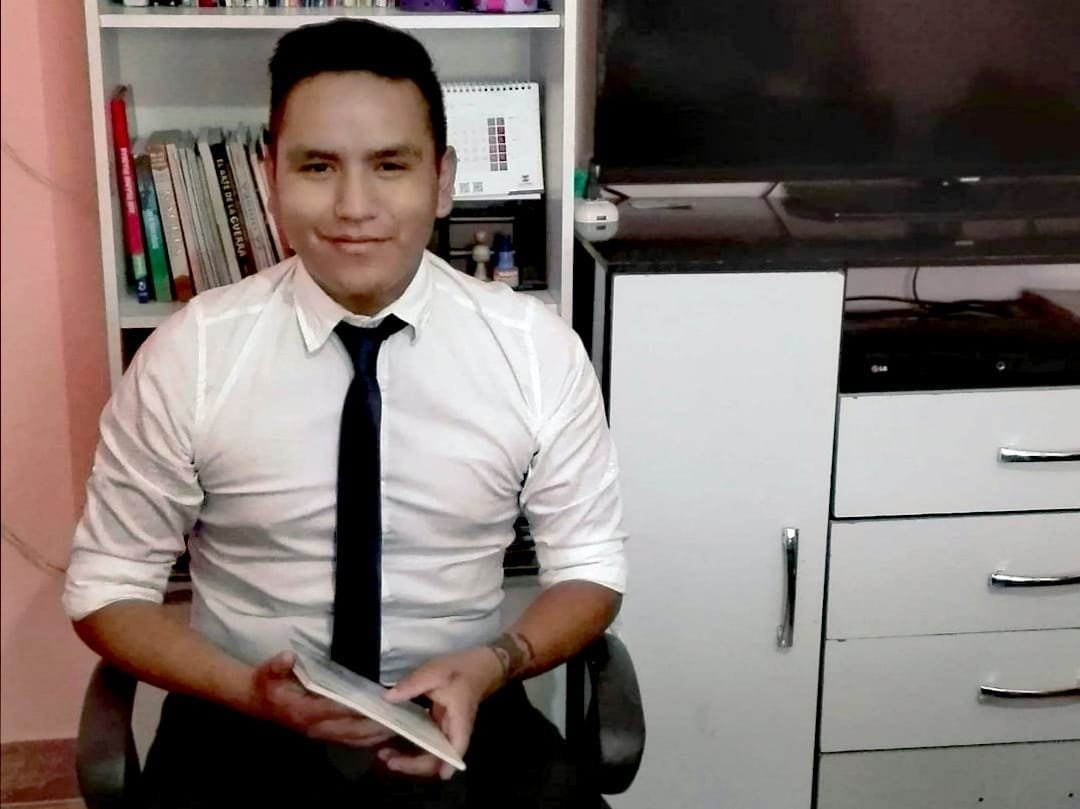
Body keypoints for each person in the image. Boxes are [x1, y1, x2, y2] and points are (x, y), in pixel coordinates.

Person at [63, 17, 627, 809]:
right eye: (318, 166)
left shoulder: (535, 351)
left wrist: (493, 662)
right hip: (241, 714)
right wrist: (247, 690)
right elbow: (107, 585)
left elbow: (592, 569)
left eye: (390, 165)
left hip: (467, 707)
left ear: (442, 179)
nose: (353, 206)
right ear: (270, 177)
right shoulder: (191, 355)